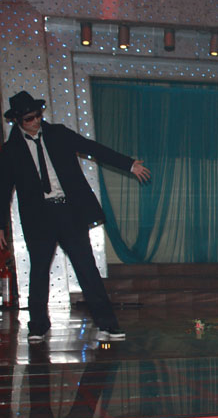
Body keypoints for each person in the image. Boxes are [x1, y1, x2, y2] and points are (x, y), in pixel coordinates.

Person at [0, 91, 151, 342]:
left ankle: (107, 325)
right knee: (39, 271)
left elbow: (92, 148)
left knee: (86, 268)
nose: (35, 121)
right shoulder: (10, 150)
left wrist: (128, 164)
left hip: (69, 212)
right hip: (39, 218)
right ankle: (38, 325)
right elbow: (3, 189)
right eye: (29, 119)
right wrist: (0, 226)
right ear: (17, 120)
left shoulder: (57, 134)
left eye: (38, 116)